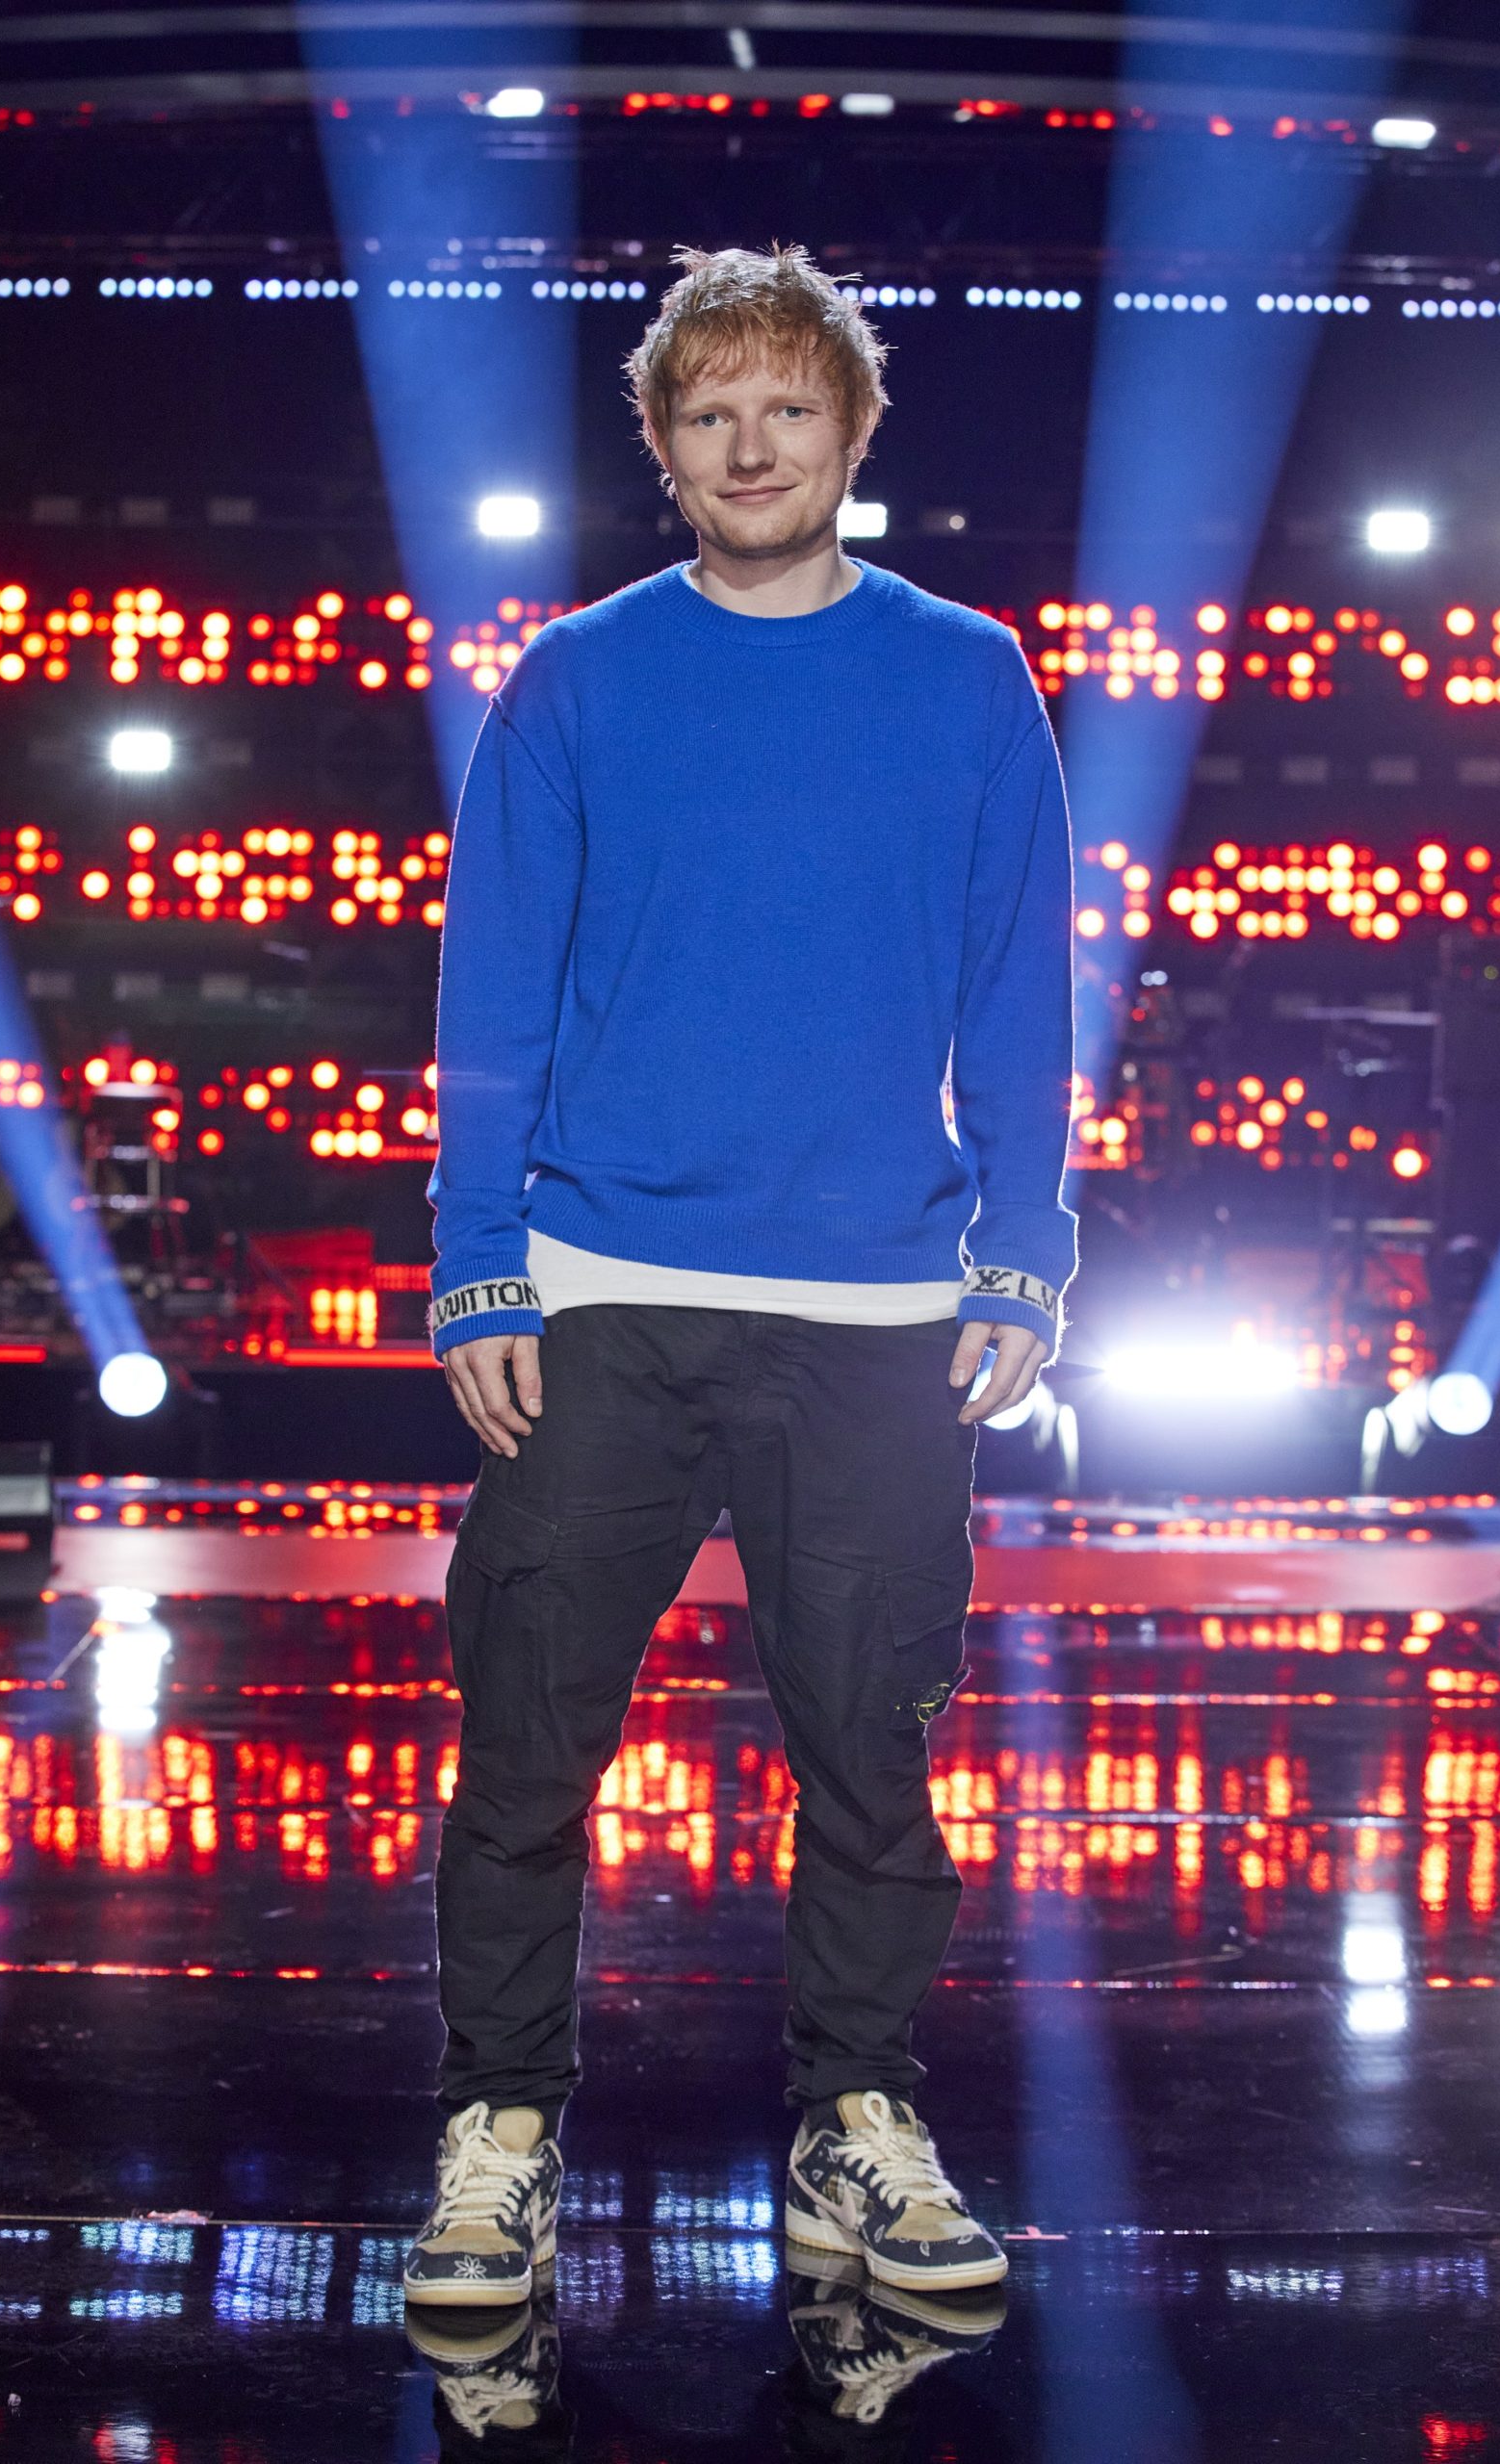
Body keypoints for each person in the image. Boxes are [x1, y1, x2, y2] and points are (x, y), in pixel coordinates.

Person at [403, 243, 1078, 2311]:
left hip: (878, 1310)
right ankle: (499, 2131)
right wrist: (477, 1262)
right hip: (599, 1292)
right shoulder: (579, 675)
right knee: (526, 1742)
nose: (753, 443)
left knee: (871, 1755)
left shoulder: (965, 674)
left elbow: (1020, 982)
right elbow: (494, 987)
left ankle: (854, 2119)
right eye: (712, 411)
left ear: (853, 429)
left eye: (790, 405)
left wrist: (1025, 1247)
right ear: (663, 444)